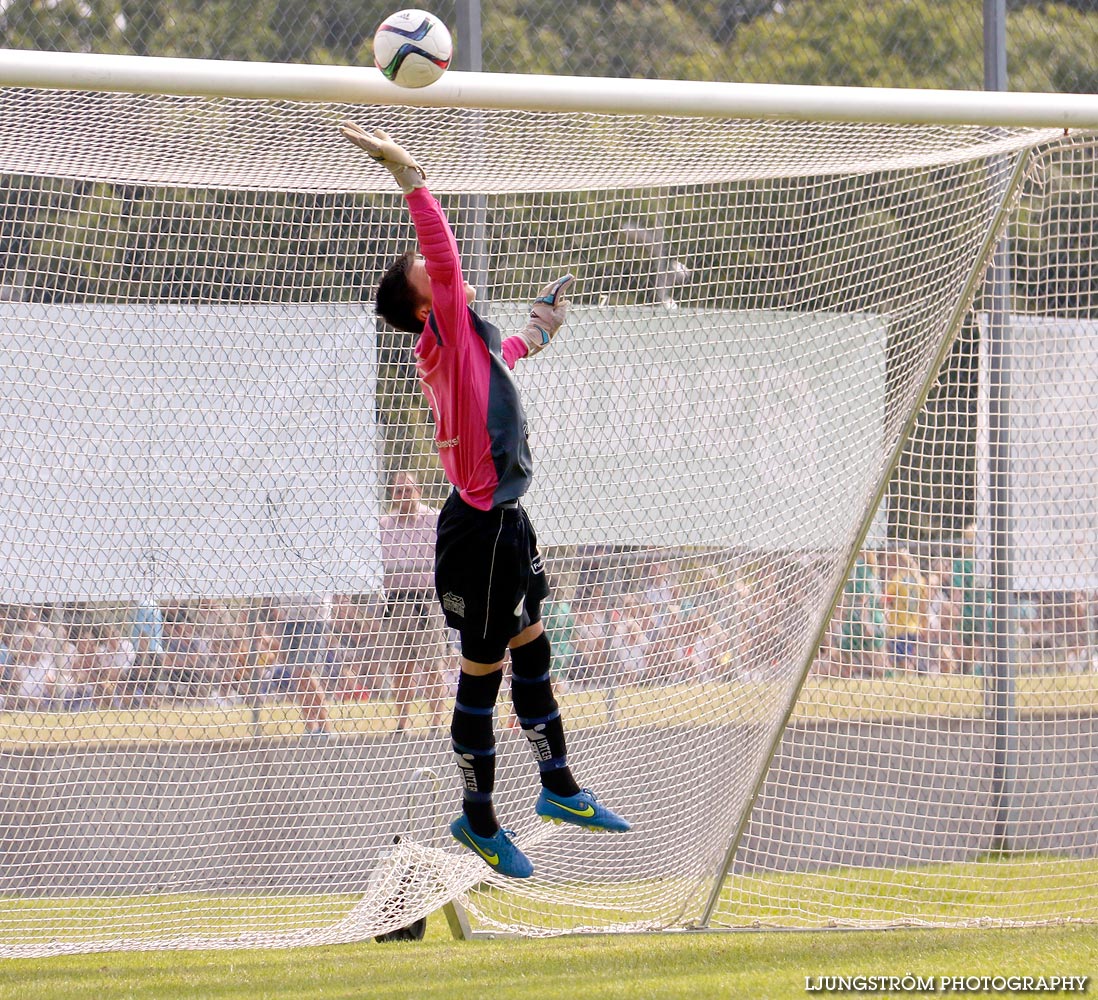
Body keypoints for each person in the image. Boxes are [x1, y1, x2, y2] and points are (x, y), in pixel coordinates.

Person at [341, 122, 629, 879]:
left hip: (506, 519)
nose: (444, 273)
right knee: (483, 671)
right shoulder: (439, 335)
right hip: (477, 531)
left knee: (532, 643)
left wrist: (540, 328)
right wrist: (409, 176)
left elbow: (505, 356)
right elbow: (443, 251)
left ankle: (559, 787)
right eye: (429, 275)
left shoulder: (465, 338)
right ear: (425, 303)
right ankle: (477, 820)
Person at [379, 471, 447, 733]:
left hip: (425, 603)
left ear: (417, 490)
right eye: (398, 492)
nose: (403, 496)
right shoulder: (383, 525)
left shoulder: (433, 520)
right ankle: (402, 722)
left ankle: (436, 722)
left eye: (407, 490)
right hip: (395, 604)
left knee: (432, 664)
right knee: (400, 666)